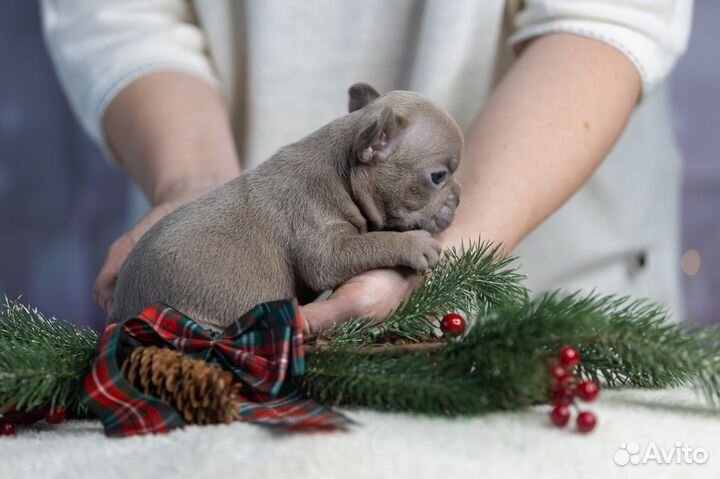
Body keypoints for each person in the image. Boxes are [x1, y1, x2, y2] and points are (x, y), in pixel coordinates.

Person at [41, 0, 692, 333]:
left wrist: (456, 246)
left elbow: (606, 12)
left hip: (556, 269)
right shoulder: (315, 190)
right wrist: (193, 182)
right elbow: (119, 15)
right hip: (234, 289)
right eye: (440, 180)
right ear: (373, 142)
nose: (449, 199)